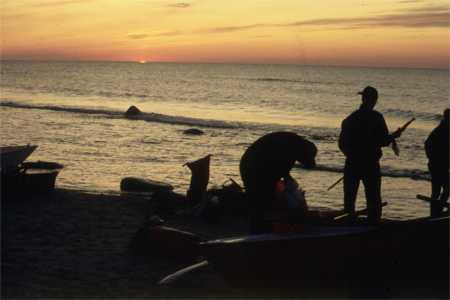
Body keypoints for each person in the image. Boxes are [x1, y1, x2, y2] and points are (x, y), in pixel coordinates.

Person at [338, 86, 402, 224]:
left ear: (363, 98)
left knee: (349, 198)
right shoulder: (376, 118)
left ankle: (347, 226)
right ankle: (373, 226)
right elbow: (383, 141)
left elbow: (342, 143)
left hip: (352, 164)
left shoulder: (351, 119)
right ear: (374, 100)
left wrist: (351, 156)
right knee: (373, 198)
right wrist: (394, 136)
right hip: (370, 164)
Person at [239, 131, 317, 234]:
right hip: (254, 167)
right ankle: (259, 230)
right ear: (303, 153)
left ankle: (260, 227)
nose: (302, 162)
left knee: (261, 199)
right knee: (260, 199)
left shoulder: (293, 144)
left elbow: (284, 172)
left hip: (251, 163)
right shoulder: (290, 147)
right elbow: (282, 172)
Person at [425, 108, 449, 216]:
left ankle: (436, 211)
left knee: (439, 189)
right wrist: (433, 158)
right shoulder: (441, 130)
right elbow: (427, 144)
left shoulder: (444, 128)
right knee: (441, 189)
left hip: (439, 165)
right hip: (437, 165)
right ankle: (436, 211)